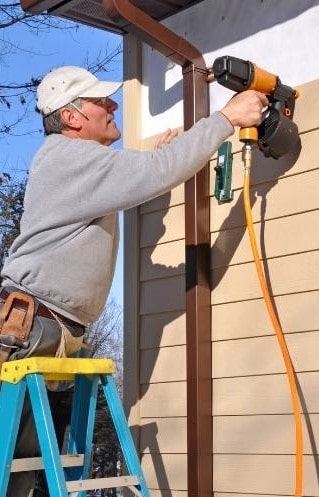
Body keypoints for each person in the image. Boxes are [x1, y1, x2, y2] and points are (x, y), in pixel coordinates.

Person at [0, 65, 268, 496]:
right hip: (31, 329)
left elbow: (145, 175)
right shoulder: (69, 157)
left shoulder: (78, 165)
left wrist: (162, 162)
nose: (113, 106)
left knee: (24, 468)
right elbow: (153, 172)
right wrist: (227, 119)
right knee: (14, 466)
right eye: (100, 102)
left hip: (50, 329)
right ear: (71, 118)